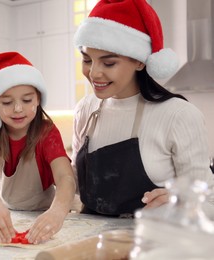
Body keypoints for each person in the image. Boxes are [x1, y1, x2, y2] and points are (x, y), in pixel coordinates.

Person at [71, 0, 214, 217]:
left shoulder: (177, 115)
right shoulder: (85, 109)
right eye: (87, 59)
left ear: (140, 61)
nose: (94, 73)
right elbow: (74, 182)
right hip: (88, 244)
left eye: (108, 63)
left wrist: (180, 203)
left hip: (149, 245)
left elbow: (209, 201)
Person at [0, 52, 76, 244]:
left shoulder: (47, 132)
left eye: (27, 100)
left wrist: (58, 211)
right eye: (7, 102)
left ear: (38, 99)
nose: (18, 108)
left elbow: (65, 177)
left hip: (44, 217)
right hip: (6, 216)